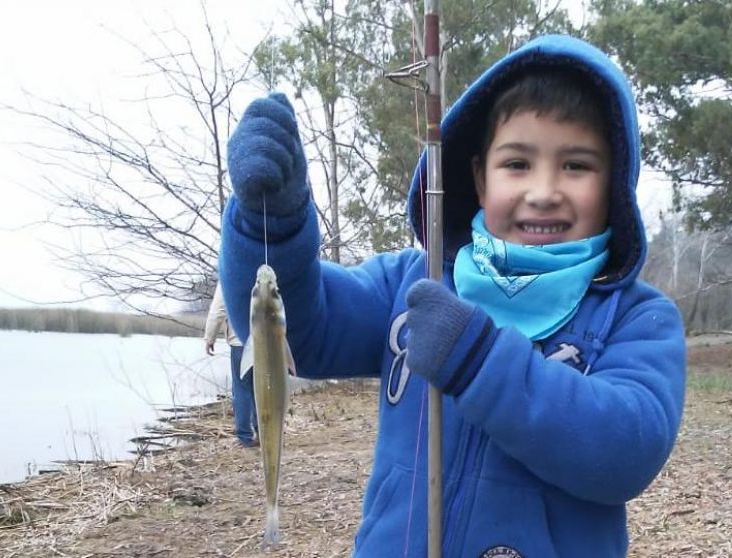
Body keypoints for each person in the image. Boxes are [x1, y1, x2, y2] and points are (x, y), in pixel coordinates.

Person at [220, 35, 686, 557]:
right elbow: (299, 330)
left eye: (577, 165)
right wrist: (275, 227)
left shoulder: (636, 318)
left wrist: (480, 362)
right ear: (479, 178)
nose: (544, 189)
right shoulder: (412, 282)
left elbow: (625, 451)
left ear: (616, 183)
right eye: (517, 164)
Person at [204, 283, 258, 447]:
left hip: (240, 341)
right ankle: (263, 432)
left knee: (241, 388)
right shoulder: (269, 270)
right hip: (267, 341)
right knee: (261, 389)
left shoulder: (232, 271)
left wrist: (209, 338)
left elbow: (218, 310)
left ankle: (245, 436)